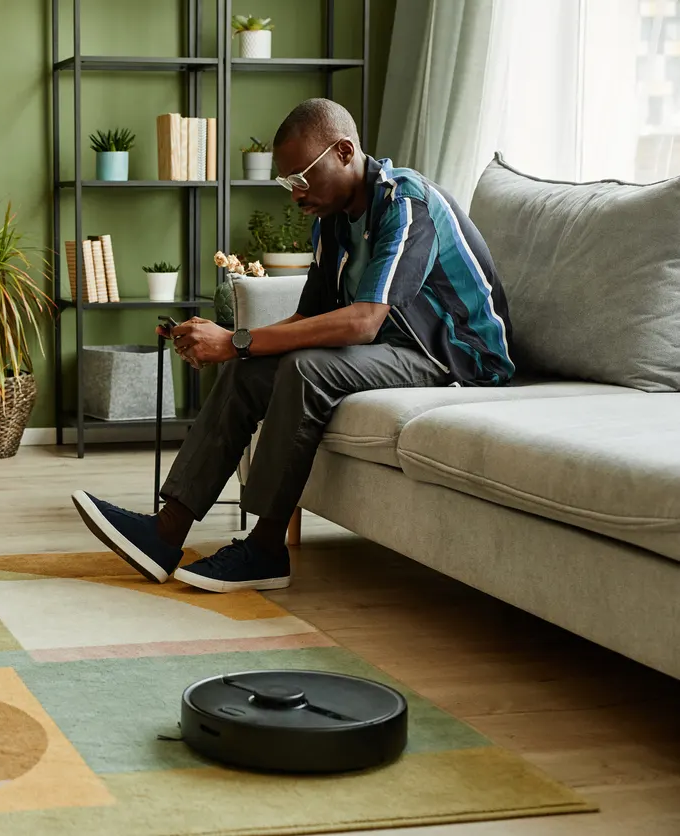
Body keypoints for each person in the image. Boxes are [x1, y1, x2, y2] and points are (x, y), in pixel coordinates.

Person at [71, 97, 514, 594]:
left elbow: (365, 321)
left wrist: (236, 339)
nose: (295, 194)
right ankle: (165, 531)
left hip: (456, 356)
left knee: (304, 368)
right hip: (394, 346)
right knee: (249, 368)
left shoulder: (406, 205)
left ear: (344, 151)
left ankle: (264, 548)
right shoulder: (331, 220)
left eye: (302, 177)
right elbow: (310, 315)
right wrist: (235, 349)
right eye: (287, 183)